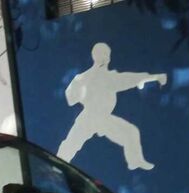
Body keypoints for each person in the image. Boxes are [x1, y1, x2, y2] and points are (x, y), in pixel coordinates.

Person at [57, 42, 167, 170]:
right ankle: (57, 165)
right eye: (100, 54)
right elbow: (71, 99)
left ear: (109, 57)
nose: (103, 57)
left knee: (131, 132)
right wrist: (93, 72)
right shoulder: (83, 77)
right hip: (88, 118)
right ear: (94, 56)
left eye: (105, 54)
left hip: (103, 118)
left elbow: (131, 78)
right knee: (71, 144)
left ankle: (135, 161)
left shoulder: (110, 78)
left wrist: (154, 77)